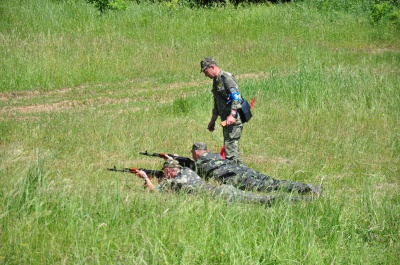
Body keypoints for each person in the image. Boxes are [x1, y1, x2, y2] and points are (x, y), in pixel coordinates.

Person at [134, 159, 301, 206]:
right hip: (223, 189)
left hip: (222, 195)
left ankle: (299, 201)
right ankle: (300, 196)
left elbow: (156, 191)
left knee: (263, 201)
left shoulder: (175, 181)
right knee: (259, 199)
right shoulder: (187, 171)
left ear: (170, 172)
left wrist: (146, 178)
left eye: (165, 172)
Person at [189, 142, 322, 196]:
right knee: (275, 182)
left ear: (196, 153)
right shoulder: (215, 155)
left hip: (237, 177)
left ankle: (306, 189)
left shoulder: (200, 163)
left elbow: (190, 168)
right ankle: (306, 187)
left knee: (269, 188)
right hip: (245, 170)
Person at [200, 57, 243, 165]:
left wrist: (232, 115)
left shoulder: (226, 78)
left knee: (231, 150)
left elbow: (236, 97)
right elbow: (217, 103)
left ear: (212, 67)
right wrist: (212, 120)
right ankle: (236, 170)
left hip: (233, 120)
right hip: (226, 120)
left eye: (206, 71)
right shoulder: (216, 81)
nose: (205, 75)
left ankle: (236, 173)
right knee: (229, 148)